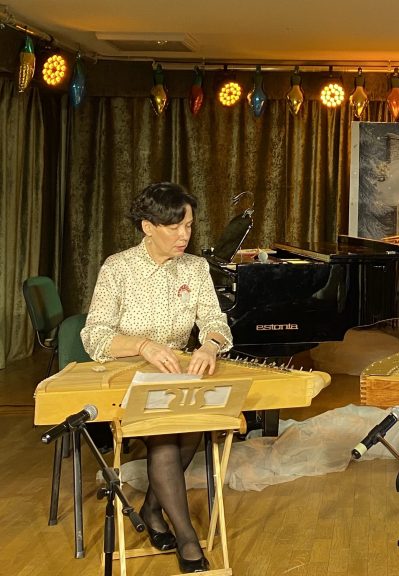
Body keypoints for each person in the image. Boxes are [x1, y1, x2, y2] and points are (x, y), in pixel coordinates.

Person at [81, 182, 233, 573]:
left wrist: (209, 346)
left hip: (177, 375)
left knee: (194, 427)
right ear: (148, 227)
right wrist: (143, 346)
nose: (185, 235)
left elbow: (215, 321)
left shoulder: (195, 268)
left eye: (189, 226)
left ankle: (152, 508)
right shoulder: (118, 268)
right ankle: (188, 540)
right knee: (165, 437)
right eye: (174, 226)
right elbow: (94, 335)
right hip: (127, 378)